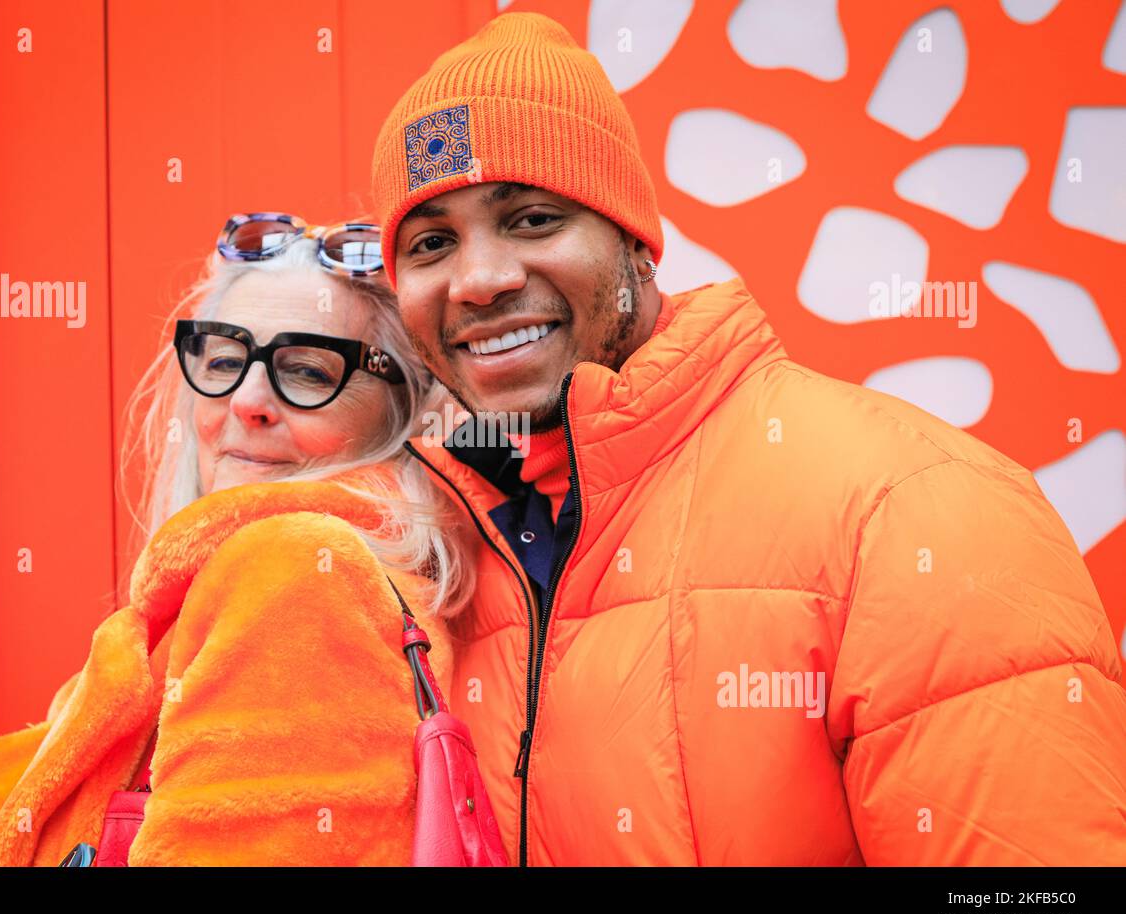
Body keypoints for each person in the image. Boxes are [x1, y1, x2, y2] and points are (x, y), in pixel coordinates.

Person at [369, 12, 1126, 865]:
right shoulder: (433, 559)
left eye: (534, 219)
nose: (480, 279)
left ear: (635, 247)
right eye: (433, 243)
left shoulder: (910, 507)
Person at [0, 214, 483, 865]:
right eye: (225, 358)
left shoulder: (298, 572)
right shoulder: (282, 573)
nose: (247, 399)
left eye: (305, 370)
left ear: (403, 410)